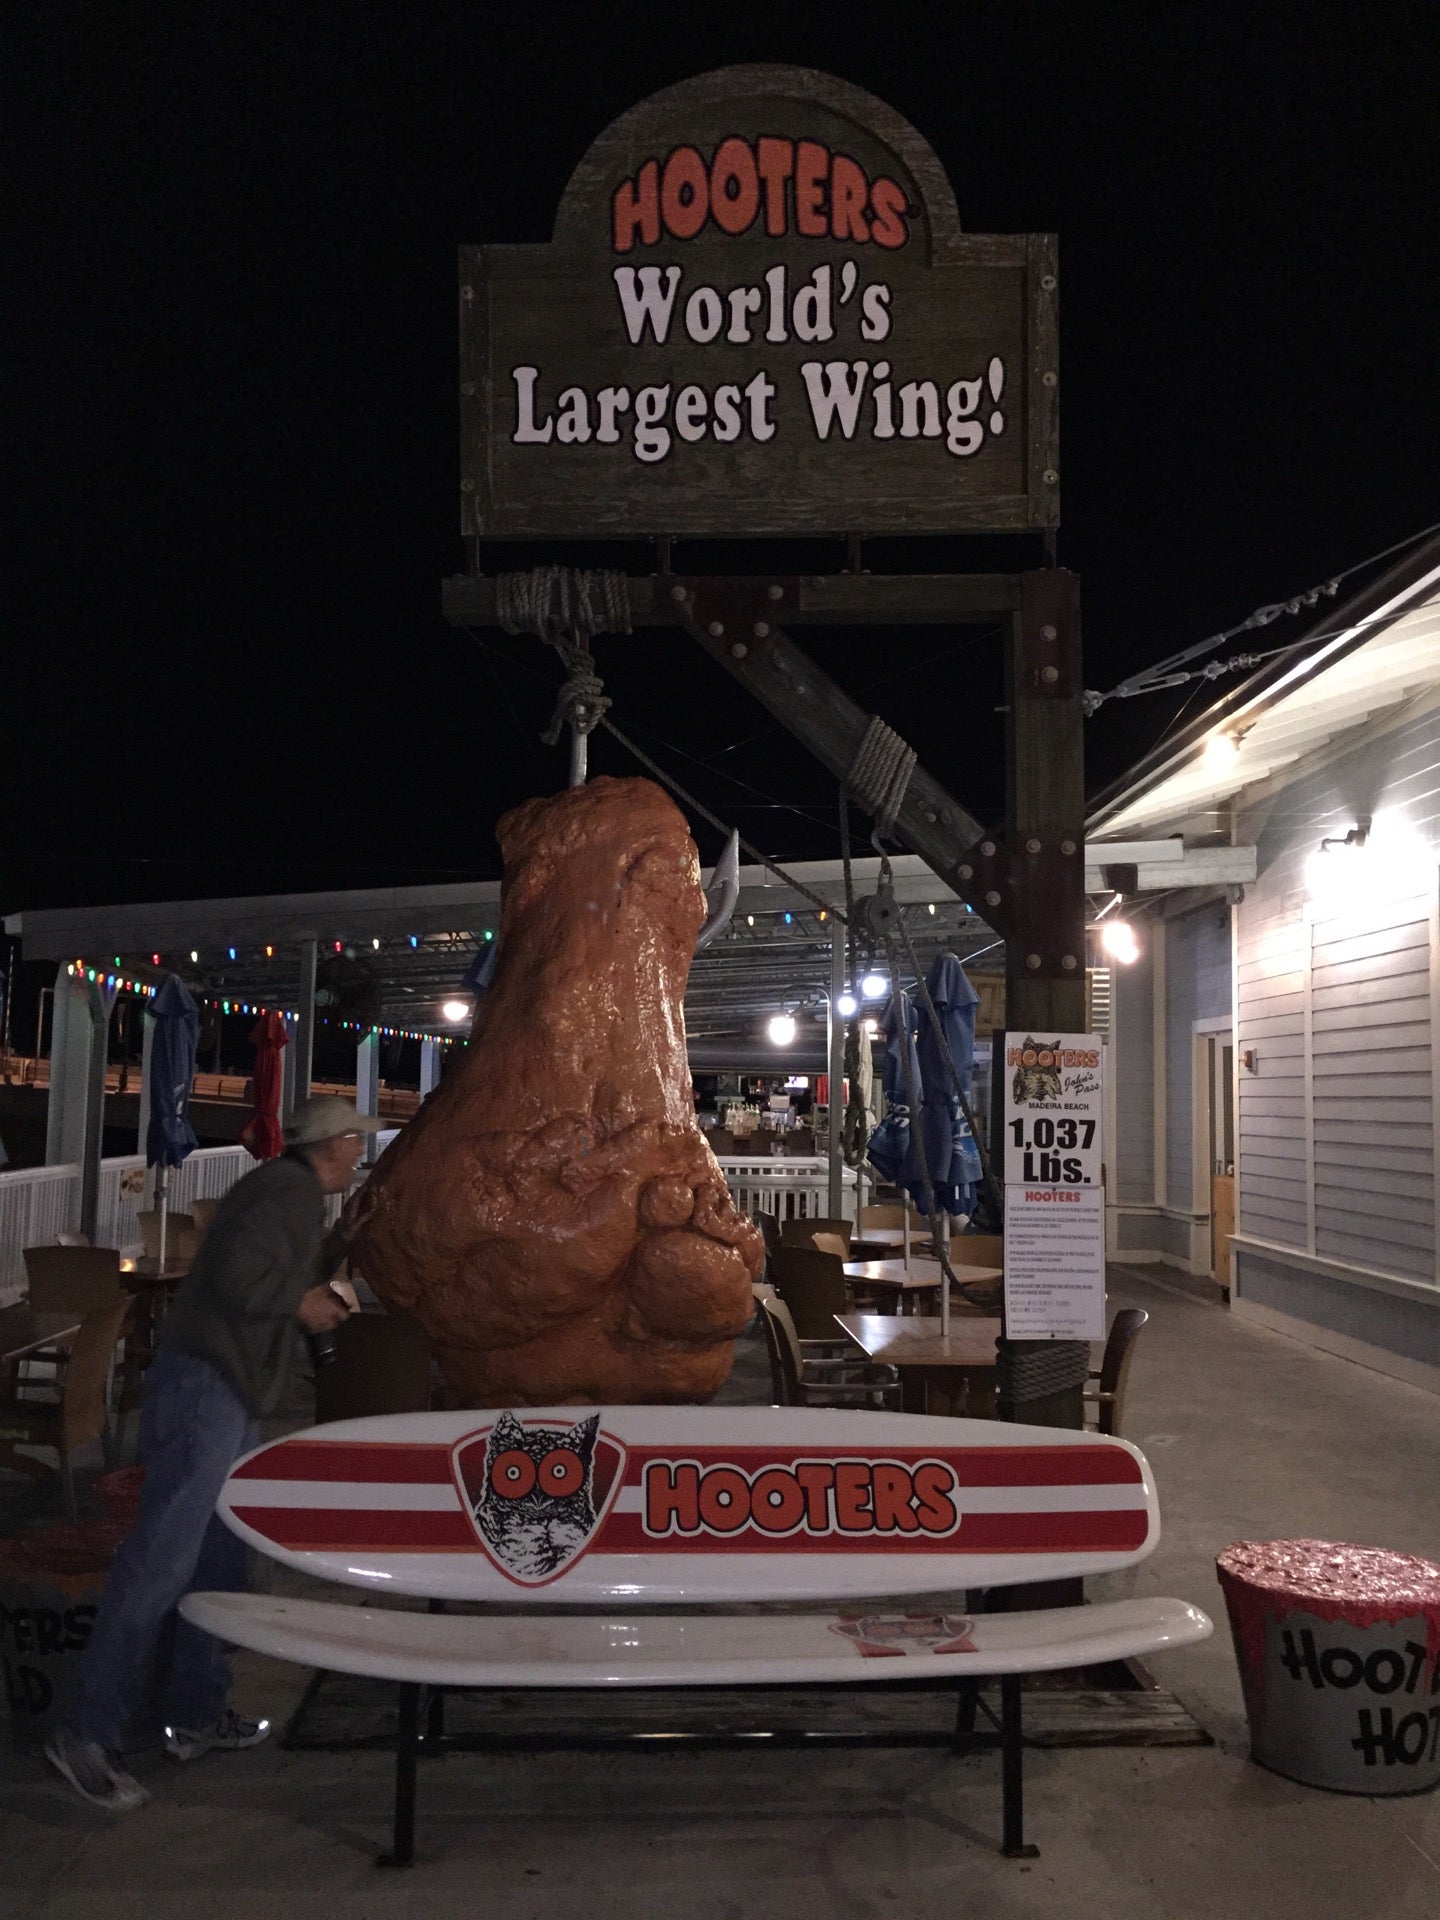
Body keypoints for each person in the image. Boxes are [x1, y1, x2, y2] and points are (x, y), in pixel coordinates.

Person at [45, 1095, 382, 1811]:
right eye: (356, 1142)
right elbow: (242, 1280)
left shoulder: (291, 1195)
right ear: (332, 1144)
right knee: (164, 1557)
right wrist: (307, 1304)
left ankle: (193, 1712)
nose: (360, 1154)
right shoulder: (284, 1193)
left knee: (217, 1558)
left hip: (226, 1388)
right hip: (209, 1386)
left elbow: (265, 1264)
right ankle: (87, 1732)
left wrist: (338, 1244)